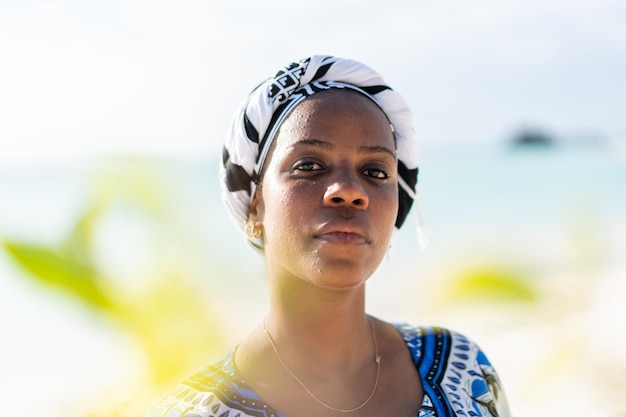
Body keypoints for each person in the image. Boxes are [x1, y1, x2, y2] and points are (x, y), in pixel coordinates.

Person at [146, 55, 510, 417]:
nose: (350, 191)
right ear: (255, 205)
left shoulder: (463, 371)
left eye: (375, 171)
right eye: (309, 166)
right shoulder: (193, 411)